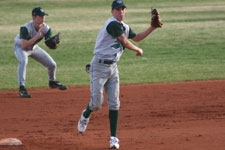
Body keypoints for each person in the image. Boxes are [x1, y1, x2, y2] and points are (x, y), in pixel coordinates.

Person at [77, 0, 160, 149]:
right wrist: (137, 49)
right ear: (112, 11)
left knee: (114, 103)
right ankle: (86, 113)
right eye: (117, 9)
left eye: (123, 9)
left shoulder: (124, 26)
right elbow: (125, 42)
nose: (120, 12)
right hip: (99, 67)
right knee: (97, 104)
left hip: (113, 68)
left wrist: (152, 28)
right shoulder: (112, 24)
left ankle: (113, 138)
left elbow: (137, 37)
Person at [14, 7, 67, 98]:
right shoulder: (25, 28)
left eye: (44, 16)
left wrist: (54, 44)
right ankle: (22, 88)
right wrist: (37, 35)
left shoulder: (46, 28)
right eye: (40, 16)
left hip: (33, 48)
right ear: (34, 17)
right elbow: (24, 45)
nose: (43, 18)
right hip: (20, 48)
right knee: (23, 61)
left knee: (52, 64)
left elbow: (49, 43)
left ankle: (52, 82)